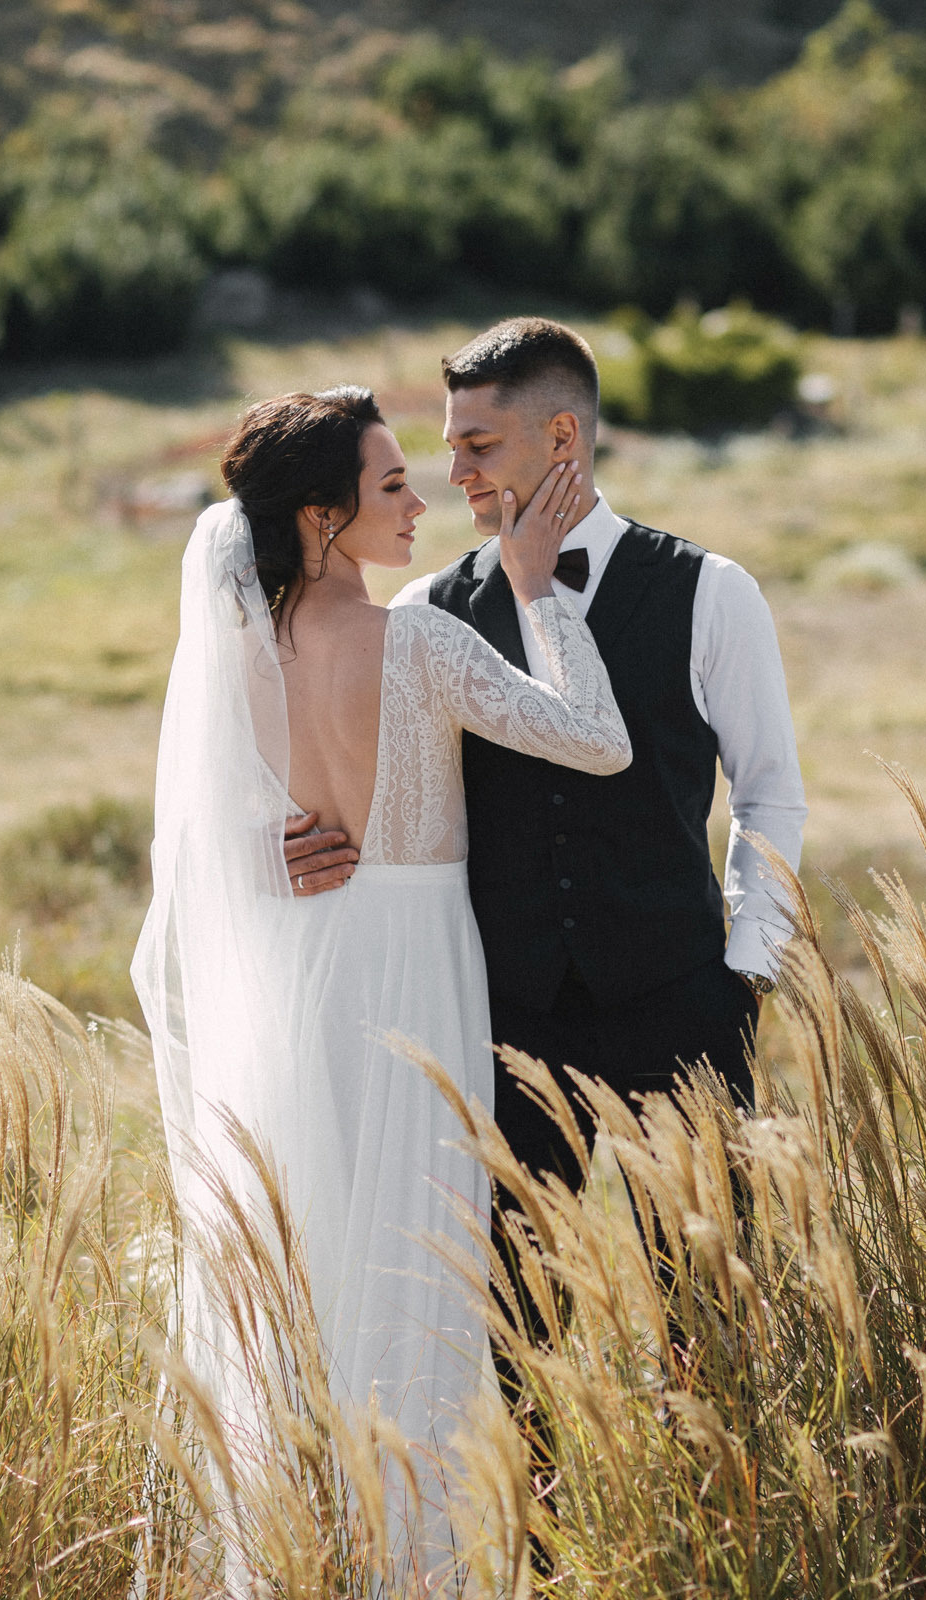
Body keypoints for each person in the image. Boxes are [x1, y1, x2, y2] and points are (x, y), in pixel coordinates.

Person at [133, 385, 630, 1590]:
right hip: (413, 976)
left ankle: (307, 1554)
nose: (420, 506)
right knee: (417, 1271)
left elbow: (210, 844)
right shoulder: (422, 638)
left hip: (305, 982)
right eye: (392, 485)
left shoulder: (245, 661)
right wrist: (531, 583)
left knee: (316, 1265)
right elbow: (599, 737)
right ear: (320, 518)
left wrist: (268, 853)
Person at [346, 316, 809, 1458]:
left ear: (564, 437)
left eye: (479, 445)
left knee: (708, 1322)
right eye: (446, 446)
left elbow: (772, 797)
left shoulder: (710, 593)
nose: (452, 472)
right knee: (515, 1336)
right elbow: (391, 805)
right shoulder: (425, 618)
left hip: (681, 1011)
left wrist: (742, 978)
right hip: (503, 1032)